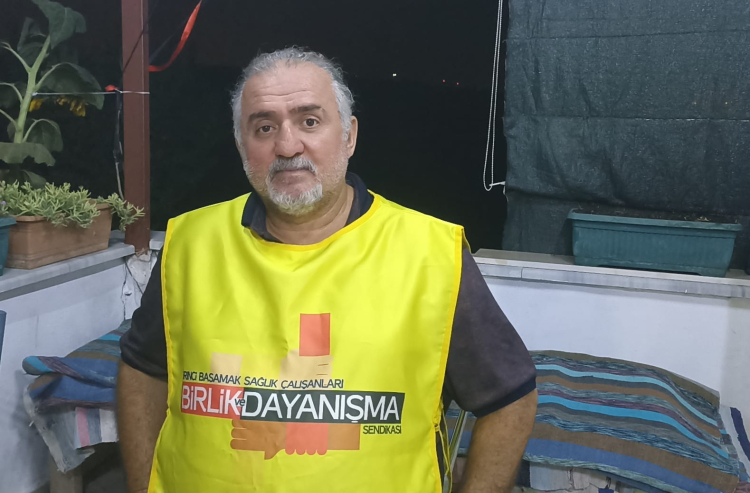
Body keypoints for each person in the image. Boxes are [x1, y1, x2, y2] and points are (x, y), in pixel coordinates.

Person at [117, 47, 537, 493]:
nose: (287, 146)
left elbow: (509, 398)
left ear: (349, 136)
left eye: (309, 121)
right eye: (264, 128)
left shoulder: (429, 253)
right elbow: (142, 369)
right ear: (242, 146)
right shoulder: (191, 243)